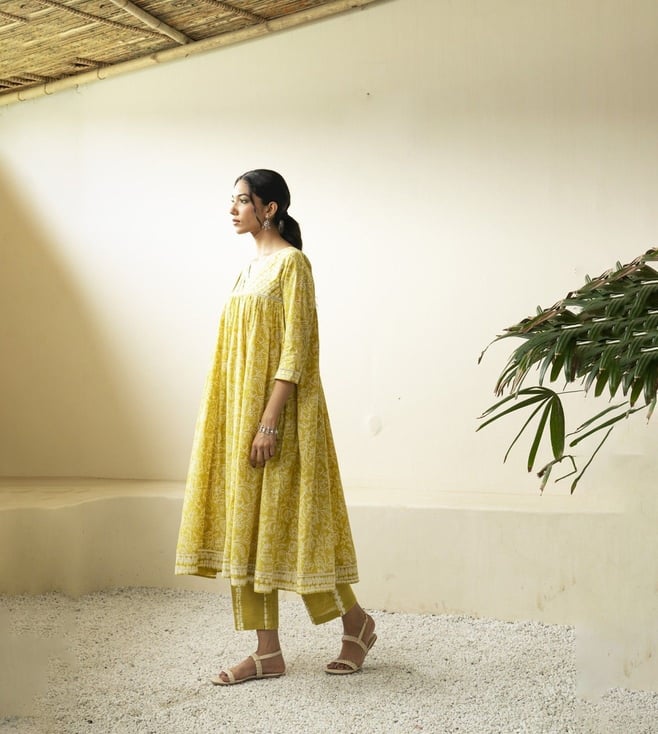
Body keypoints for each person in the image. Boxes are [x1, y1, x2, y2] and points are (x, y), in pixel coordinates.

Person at [175, 169, 376, 685]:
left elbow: (298, 346)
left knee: (297, 524)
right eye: (233, 200)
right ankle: (267, 652)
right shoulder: (248, 271)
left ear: (270, 209)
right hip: (239, 410)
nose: (233, 209)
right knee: (247, 522)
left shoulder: (293, 265)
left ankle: (356, 623)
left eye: (243, 200)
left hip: (283, 415)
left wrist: (269, 422)